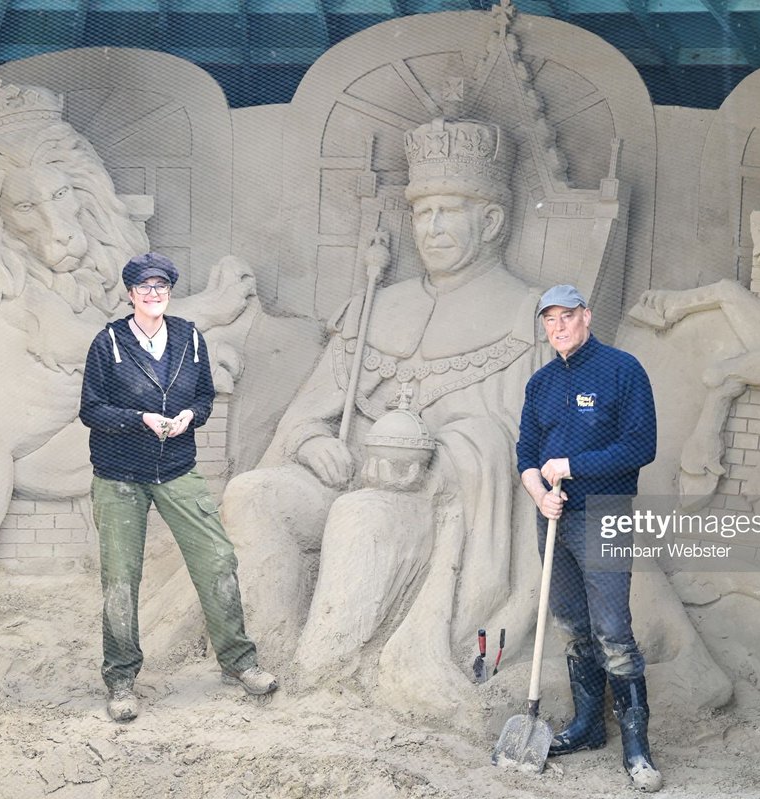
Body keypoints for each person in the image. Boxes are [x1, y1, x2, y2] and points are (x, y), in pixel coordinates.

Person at [221, 118, 544, 714]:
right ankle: (267, 656)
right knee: (253, 495)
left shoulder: (524, 317)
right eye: (422, 213)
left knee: (362, 514)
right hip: (343, 478)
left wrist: (437, 461)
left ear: (493, 221)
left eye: (449, 211)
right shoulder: (375, 305)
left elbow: (520, 442)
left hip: (438, 507)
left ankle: (325, 674)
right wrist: (311, 441)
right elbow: (307, 414)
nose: (432, 227)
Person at [79, 251, 278, 722]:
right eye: (144, 287)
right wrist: (140, 419)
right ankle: (121, 678)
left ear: (169, 292)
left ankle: (239, 662)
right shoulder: (108, 343)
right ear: (131, 294)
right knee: (121, 579)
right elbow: (91, 410)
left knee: (217, 559)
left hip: (176, 469)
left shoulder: (189, 338)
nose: (153, 294)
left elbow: (204, 395)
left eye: (161, 286)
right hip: (119, 476)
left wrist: (191, 415)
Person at [516, 284, 662, 792]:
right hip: (554, 518)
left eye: (566, 316)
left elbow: (642, 446)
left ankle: (637, 749)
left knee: (613, 631)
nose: (557, 327)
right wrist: (540, 494)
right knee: (572, 626)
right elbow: (526, 454)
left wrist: (572, 466)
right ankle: (587, 726)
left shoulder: (622, 370)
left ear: (586, 316)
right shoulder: (540, 384)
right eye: (549, 319)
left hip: (604, 513)